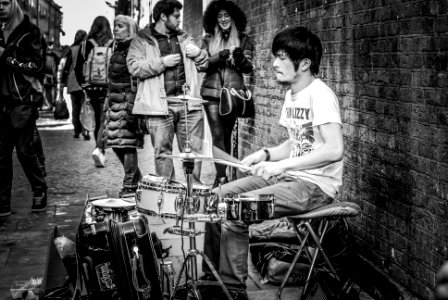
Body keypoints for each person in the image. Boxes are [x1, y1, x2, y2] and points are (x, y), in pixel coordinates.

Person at [202, 26, 344, 300]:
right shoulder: (292, 94)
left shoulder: (320, 95)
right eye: (274, 56)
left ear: (303, 63)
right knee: (215, 198)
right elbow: (296, 142)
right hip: (288, 179)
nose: (274, 63)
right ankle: (212, 280)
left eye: (281, 57)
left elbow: (334, 148)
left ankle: (231, 292)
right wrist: (266, 154)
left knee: (235, 210)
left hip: (313, 187)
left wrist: (282, 166)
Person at [127, 0, 208, 183]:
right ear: (163, 16)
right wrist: (162, 63)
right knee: (162, 154)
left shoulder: (184, 37)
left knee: (193, 153)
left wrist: (200, 54)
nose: (179, 20)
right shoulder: (141, 39)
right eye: (176, 16)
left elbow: (204, 66)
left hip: (190, 105)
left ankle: (193, 194)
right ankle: (170, 198)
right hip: (159, 107)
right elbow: (133, 67)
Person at [0, 0, 48, 216]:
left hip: (22, 100)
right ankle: (2, 202)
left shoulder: (30, 32)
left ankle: (39, 189)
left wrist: (6, 56)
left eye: (4, 3)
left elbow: (37, 65)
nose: (0, 7)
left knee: (24, 151)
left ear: (14, 5)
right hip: (1, 102)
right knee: (1, 155)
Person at [201, 0, 253, 188]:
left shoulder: (244, 38)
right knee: (216, 133)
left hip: (233, 94)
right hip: (211, 93)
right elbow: (203, 64)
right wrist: (220, 55)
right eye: (219, 16)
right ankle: (222, 177)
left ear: (233, 16)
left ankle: (223, 176)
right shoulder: (208, 38)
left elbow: (248, 68)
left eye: (226, 15)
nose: (223, 19)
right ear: (214, 19)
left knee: (227, 134)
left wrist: (238, 57)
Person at [104, 15, 143, 196]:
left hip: (127, 103)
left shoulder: (132, 49)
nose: (115, 29)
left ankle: (130, 186)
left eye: (120, 26)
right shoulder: (117, 48)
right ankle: (138, 181)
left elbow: (137, 80)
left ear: (130, 29)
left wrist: (131, 106)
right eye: (115, 26)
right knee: (117, 145)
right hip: (115, 103)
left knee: (127, 146)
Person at [75, 16, 113, 167]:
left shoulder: (85, 45)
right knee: (104, 119)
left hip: (90, 87)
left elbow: (78, 67)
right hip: (106, 87)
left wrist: (83, 85)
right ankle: (100, 149)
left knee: (96, 116)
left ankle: (97, 147)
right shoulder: (113, 44)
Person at [61, 29, 90, 140]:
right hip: (85, 80)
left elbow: (67, 68)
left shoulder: (71, 50)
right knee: (85, 107)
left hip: (73, 81)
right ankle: (85, 131)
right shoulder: (87, 49)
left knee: (75, 107)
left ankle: (77, 131)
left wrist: (63, 81)